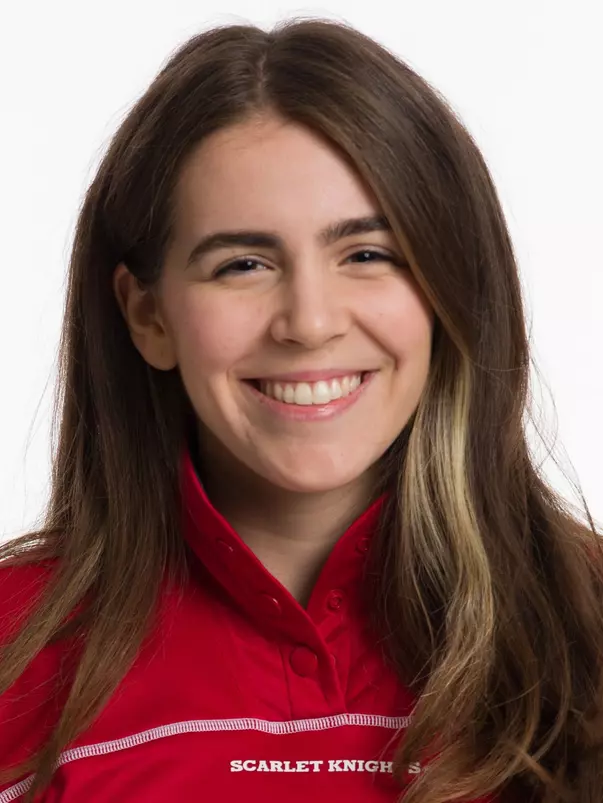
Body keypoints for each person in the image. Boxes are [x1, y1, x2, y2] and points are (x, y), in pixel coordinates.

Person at [1, 17, 602, 803]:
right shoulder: (15, 646)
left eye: (367, 254)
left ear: (448, 288)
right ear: (148, 314)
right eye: (242, 263)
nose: (309, 321)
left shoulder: (587, 625)